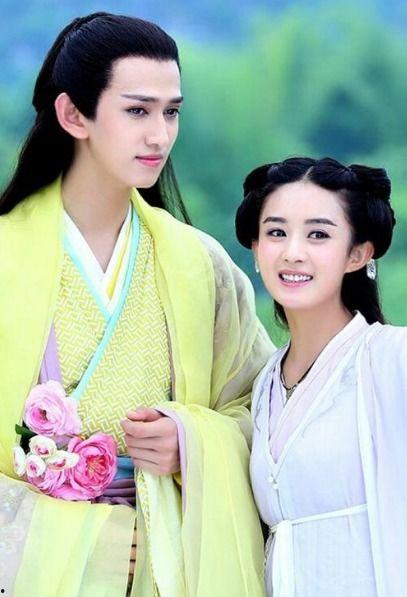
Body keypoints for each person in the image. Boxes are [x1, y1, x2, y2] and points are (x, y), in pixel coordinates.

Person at [0, 12, 273, 596]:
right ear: (73, 114)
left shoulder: (200, 265)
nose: (160, 136)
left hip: (168, 565)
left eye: (171, 112)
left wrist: (191, 443)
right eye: (137, 111)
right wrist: (75, 539)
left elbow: (263, 407)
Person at [235, 156, 407, 597]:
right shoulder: (264, 382)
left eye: (318, 234)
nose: (293, 251)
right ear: (256, 250)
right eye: (276, 232)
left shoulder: (390, 357)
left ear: (357, 254)